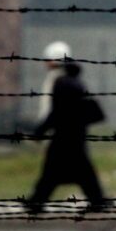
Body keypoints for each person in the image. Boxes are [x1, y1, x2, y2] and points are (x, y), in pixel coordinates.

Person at [27, 62, 105, 212]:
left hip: (62, 137)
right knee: (84, 174)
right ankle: (97, 201)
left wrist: (40, 131)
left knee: (51, 173)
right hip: (77, 137)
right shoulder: (79, 85)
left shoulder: (61, 84)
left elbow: (56, 112)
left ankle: (36, 202)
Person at [37, 41, 72, 124]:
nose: (45, 63)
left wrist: (44, 124)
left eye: (47, 59)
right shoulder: (66, 77)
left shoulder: (57, 79)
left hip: (54, 125)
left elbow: (48, 106)